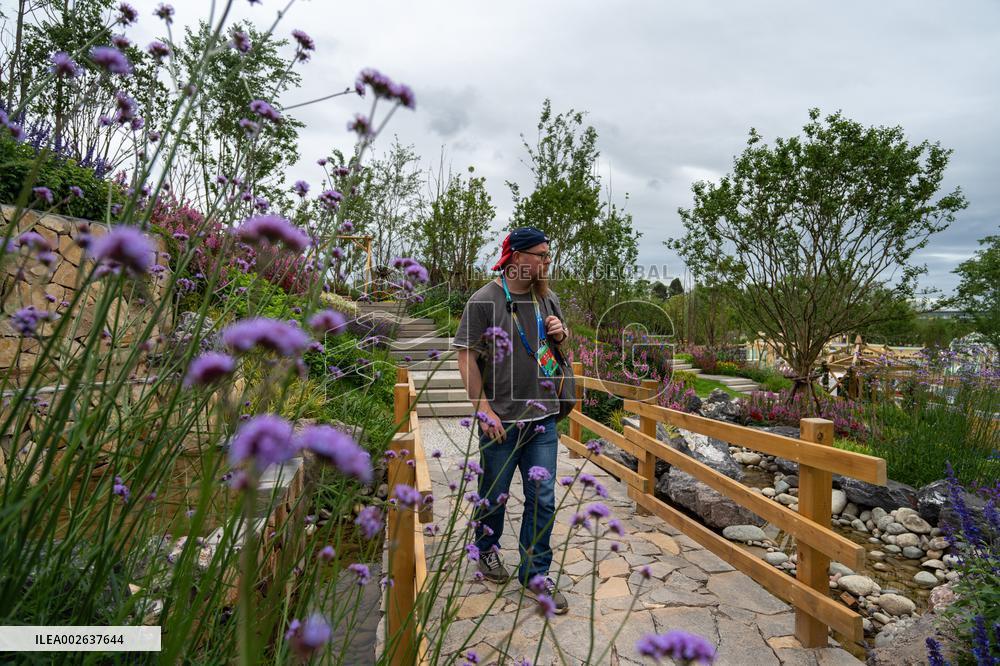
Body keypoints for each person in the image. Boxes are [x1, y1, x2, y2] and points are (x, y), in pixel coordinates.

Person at [451, 226, 571, 614]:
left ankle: (535, 573)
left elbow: (559, 349)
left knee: (544, 498)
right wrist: (482, 409)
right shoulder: (484, 300)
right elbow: (465, 356)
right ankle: (486, 549)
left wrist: (561, 332)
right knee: (493, 494)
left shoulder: (546, 298)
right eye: (541, 255)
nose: (546, 262)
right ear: (518, 257)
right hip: (501, 421)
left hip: (543, 420)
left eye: (548, 256)